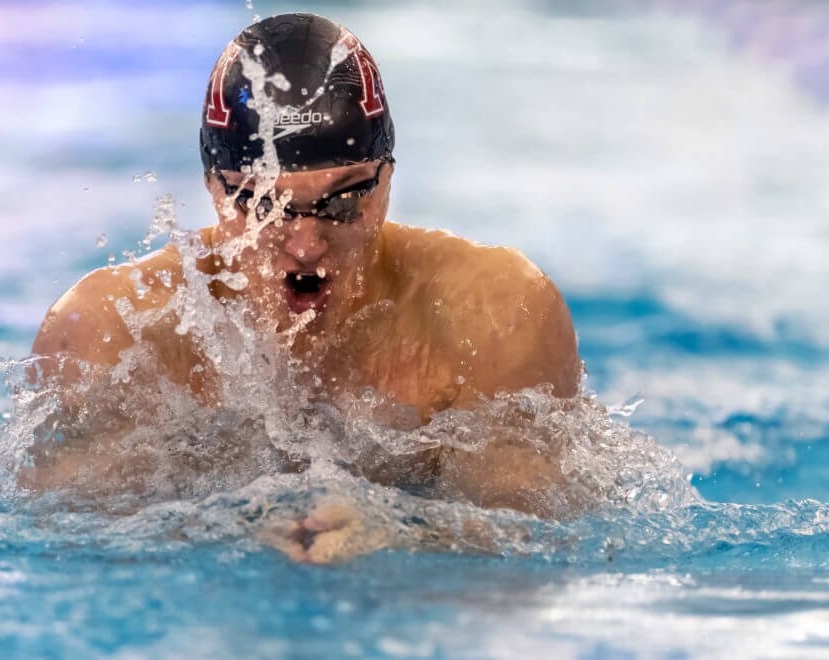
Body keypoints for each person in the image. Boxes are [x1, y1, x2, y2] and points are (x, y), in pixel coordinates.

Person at [29, 13, 581, 562]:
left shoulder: (494, 313)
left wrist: (404, 533)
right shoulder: (114, 331)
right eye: (264, 204)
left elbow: (527, 538)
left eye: (342, 200)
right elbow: (71, 541)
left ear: (386, 181)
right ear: (213, 189)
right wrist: (231, 528)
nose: (305, 246)